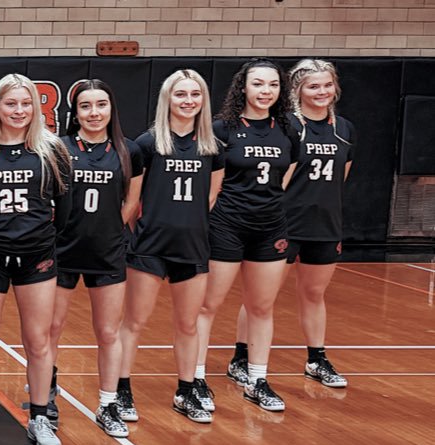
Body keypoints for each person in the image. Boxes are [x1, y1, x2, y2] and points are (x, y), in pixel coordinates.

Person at [0, 73, 72, 445]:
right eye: (11, 103)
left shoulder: (51, 150)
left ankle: (39, 417)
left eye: (26, 103)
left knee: (38, 341)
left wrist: (40, 238)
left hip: (37, 256)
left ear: (35, 108)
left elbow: (66, 209)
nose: (19, 110)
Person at [117, 69, 224, 425]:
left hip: (192, 246)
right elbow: (133, 199)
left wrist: (185, 224)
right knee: (134, 322)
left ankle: (186, 389)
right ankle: (121, 390)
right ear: (168, 99)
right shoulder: (147, 144)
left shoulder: (211, 147)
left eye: (195, 95)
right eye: (181, 95)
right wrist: (147, 229)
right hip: (149, 246)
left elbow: (210, 196)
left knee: (188, 324)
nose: (188, 101)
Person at [196, 58, 296, 413]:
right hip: (226, 225)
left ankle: (257, 380)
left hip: (270, 227)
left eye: (272, 85)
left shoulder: (288, 129)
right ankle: (195, 379)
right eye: (258, 84)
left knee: (262, 306)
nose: (265, 91)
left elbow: (285, 176)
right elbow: (210, 183)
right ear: (243, 88)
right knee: (207, 305)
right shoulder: (222, 129)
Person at [48, 79, 142, 438]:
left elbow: (132, 201)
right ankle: (47, 396)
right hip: (62, 250)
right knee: (51, 329)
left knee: (106, 331)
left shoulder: (128, 150)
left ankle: (108, 404)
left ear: (111, 109)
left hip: (107, 253)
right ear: (76, 112)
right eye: (86, 106)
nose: (94, 113)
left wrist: (107, 231)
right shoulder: (59, 148)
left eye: (101, 105)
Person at [282, 59, 356, 389]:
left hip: (325, 225)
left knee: (314, 294)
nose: (321, 91)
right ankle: (242, 357)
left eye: (327, 85)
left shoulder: (345, 128)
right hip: (284, 224)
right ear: (297, 90)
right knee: (261, 298)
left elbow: (341, 179)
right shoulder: (285, 126)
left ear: (335, 87)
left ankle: (317, 358)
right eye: (313, 86)